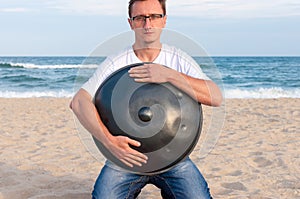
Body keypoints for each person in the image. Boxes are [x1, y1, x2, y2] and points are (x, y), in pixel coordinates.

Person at [70, 0, 222, 198]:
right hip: (126, 158)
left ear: (164, 20)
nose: (147, 24)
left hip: (173, 159)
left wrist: (170, 75)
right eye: (140, 18)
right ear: (131, 23)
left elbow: (216, 97)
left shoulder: (178, 59)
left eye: (154, 17)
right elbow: (79, 102)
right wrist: (109, 142)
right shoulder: (116, 61)